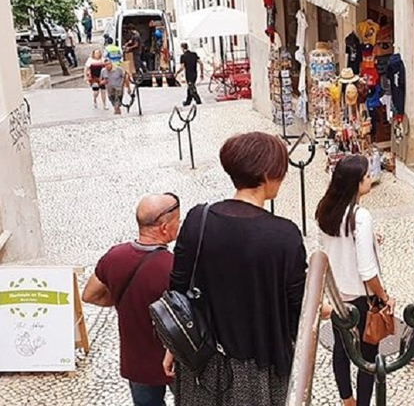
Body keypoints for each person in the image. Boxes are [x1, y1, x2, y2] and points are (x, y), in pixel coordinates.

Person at [166, 131, 306, 405]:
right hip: (259, 369)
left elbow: (177, 289)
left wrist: (173, 345)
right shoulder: (284, 235)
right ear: (267, 175)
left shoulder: (198, 219)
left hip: (201, 362)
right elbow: (297, 311)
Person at [82, 193, 181, 406]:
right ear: (165, 228)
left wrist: (120, 300)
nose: (179, 226)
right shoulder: (174, 268)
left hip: (137, 360)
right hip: (175, 359)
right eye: (178, 222)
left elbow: (89, 294)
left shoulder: (114, 257)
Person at [316, 155, 395, 406]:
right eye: (367, 175)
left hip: (338, 297)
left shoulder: (326, 211)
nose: (371, 178)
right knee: (368, 356)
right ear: (356, 183)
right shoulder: (360, 216)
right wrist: (384, 297)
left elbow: (327, 250)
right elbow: (367, 271)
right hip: (361, 299)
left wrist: (371, 238)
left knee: (342, 348)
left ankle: (346, 399)